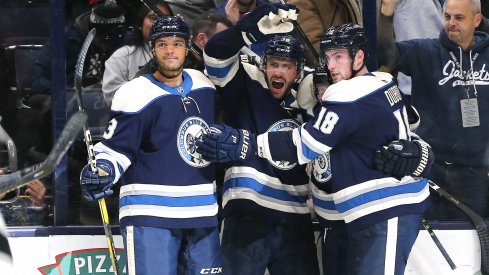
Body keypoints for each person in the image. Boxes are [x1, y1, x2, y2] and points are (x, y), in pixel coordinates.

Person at [199, 23, 434, 275]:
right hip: (359, 215)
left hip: (384, 208)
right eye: (328, 57)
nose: (331, 66)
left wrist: (243, 143)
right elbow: (407, 123)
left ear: (360, 57)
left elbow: (305, 145)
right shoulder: (383, 82)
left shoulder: (347, 93)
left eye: (339, 57)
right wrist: (423, 153)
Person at [80, 16, 222, 275]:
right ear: (152, 49)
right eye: (163, 44)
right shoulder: (135, 92)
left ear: (187, 47)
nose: (170, 51)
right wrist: (101, 169)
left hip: (202, 214)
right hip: (150, 216)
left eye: (177, 44)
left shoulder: (205, 86)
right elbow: (116, 148)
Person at [203, 3, 320, 274]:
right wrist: (249, 26)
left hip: (296, 221)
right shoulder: (245, 84)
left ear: (298, 70)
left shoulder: (312, 95)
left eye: (286, 66)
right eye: (274, 65)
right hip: (247, 213)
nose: (278, 72)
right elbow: (215, 53)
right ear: (263, 64)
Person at [379, 0, 489, 219]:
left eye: (459, 18)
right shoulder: (423, 51)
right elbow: (383, 55)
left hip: (476, 173)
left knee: (475, 245)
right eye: (447, 17)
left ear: (477, 20)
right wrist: (386, 15)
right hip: (430, 169)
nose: (451, 23)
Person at [102, 0, 173, 105]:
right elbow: (112, 96)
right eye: (153, 18)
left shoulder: (182, 55)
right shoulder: (122, 56)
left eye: (166, 19)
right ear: (140, 24)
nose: (160, 23)